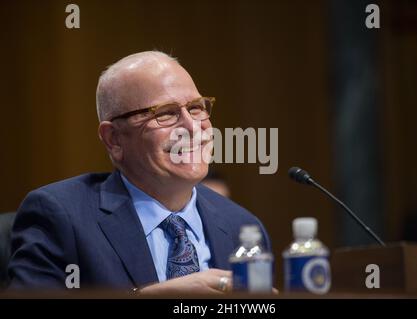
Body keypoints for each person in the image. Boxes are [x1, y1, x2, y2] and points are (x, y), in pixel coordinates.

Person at [8, 51, 271, 294]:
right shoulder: (61, 216)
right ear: (114, 139)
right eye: (165, 114)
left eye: (196, 108)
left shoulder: (242, 227)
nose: (192, 127)